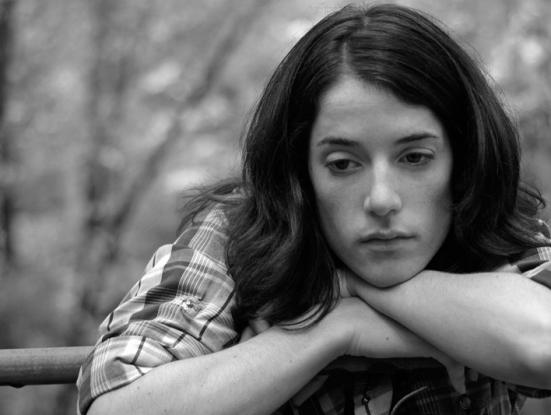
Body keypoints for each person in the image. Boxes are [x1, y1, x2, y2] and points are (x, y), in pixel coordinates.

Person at [77, 3, 551, 415]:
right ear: (301, 172)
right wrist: (333, 327)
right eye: (343, 164)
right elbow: (118, 404)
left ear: (463, 160)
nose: (382, 200)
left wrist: (359, 288)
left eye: (414, 158)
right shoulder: (239, 235)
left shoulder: (493, 225)